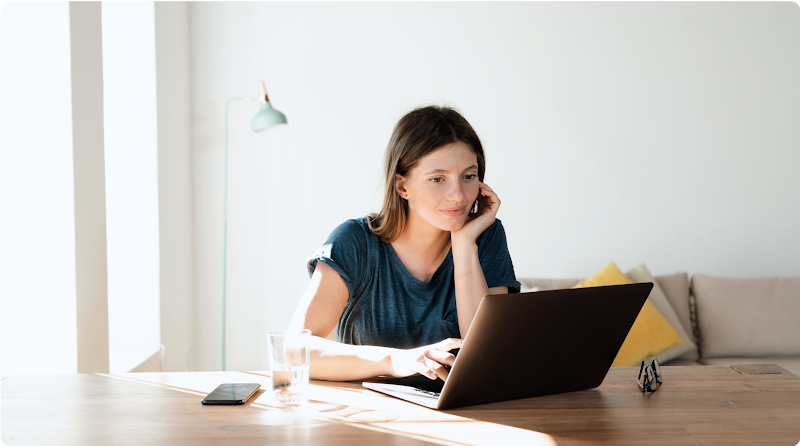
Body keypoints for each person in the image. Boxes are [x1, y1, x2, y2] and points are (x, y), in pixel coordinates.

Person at [289, 105, 520, 383]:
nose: (458, 195)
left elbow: (489, 356)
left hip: (456, 415)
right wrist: (394, 359)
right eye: (437, 179)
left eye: (468, 176)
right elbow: (296, 349)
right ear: (402, 187)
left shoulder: (485, 236)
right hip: (368, 413)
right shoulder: (354, 241)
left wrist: (464, 244)